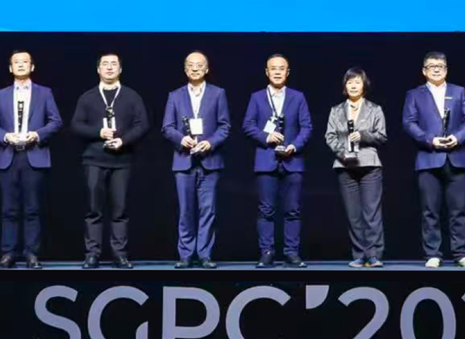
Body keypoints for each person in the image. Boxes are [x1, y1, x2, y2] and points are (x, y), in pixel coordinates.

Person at [70, 52, 149, 268]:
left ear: (120, 69)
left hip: (122, 161)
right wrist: (99, 132)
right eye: (105, 64)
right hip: (94, 160)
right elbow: (76, 125)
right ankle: (92, 254)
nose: (109, 67)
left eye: (114, 64)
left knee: (120, 211)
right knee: (93, 210)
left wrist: (123, 140)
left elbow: (142, 125)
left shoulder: (131, 96)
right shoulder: (87, 97)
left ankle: (120, 255)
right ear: (98, 69)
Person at [0, 51, 63, 269]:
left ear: (32, 66)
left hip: (34, 155)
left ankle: (31, 254)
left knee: (32, 209)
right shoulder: (0, 95)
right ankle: (8, 253)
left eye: (25, 62)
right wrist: (5, 136)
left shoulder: (44, 93)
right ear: (10, 68)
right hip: (8, 156)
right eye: (16, 62)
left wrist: (37, 134)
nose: (21, 65)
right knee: (8, 209)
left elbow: (56, 121)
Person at [403, 52, 465, 268]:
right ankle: (433, 254)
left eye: (440, 66)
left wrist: (458, 137)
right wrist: (431, 140)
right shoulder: (414, 94)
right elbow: (409, 123)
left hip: (456, 157)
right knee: (430, 210)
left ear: (446, 69)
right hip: (428, 157)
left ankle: (461, 254)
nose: (436, 69)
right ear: (424, 70)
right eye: (432, 66)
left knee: (459, 210)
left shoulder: (459, 91)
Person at [242, 54, 313, 268]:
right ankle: (267, 252)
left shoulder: (298, 97)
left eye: (281, 68)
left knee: (293, 210)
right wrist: (266, 136)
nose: (277, 72)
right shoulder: (257, 97)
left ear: (287, 72)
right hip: (266, 159)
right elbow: (248, 125)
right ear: (267, 72)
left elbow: (307, 127)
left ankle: (292, 252)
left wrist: (294, 146)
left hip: (293, 160)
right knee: (266, 210)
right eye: (273, 68)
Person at [161, 51, 230, 268]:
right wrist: (181, 139)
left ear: (207, 69)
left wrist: (210, 142)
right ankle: (185, 254)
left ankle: (205, 254)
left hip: (210, 160)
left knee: (208, 211)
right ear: (185, 69)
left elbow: (224, 126)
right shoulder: (175, 95)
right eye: (190, 65)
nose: (195, 68)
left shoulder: (218, 93)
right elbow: (167, 127)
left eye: (199, 65)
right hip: (184, 160)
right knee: (186, 211)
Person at [324, 67, 387, 268]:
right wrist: (343, 153)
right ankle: (360, 254)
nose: (353, 85)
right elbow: (330, 136)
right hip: (344, 165)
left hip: (369, 164)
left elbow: (382, 136)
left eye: (357, 82)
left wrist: (363, 135)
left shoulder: (375, 109)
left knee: (371, 213)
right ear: (345, 86)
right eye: (350, 82)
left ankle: (374, 255)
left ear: (364, 85)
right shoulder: (336, 110)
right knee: (353, 214)